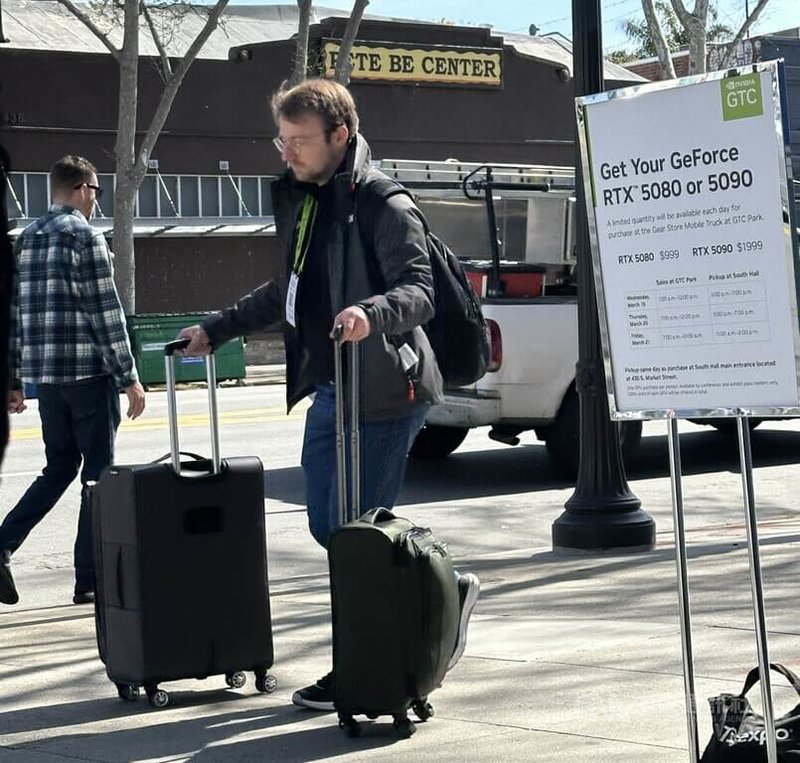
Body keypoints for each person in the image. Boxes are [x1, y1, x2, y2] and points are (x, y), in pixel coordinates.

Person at [179, 78, 480, 711]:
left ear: (340, 136)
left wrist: (373, 312)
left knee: (357, 544)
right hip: (332, 387)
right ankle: (443, 586)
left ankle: (365, 667)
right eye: (281, 140)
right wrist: (215, 329)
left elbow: (418, 288)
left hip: (387, 390)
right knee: (331, 528)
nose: (286, 152)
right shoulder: (307, 200)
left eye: (299, 141)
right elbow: (285, 294)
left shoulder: (382, 203)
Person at [0, 155, 145, 608]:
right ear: (83, 188)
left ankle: (2, 543)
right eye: (97, 192)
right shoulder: (86, 238)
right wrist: (129, 377)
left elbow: (13, 316)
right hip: (88, 375)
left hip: (48, 381)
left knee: (59, 468)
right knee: (97, 478)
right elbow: (106, 313)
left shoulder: (25, 241)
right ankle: (90, 578)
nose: (97, 202)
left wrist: (14, 378)